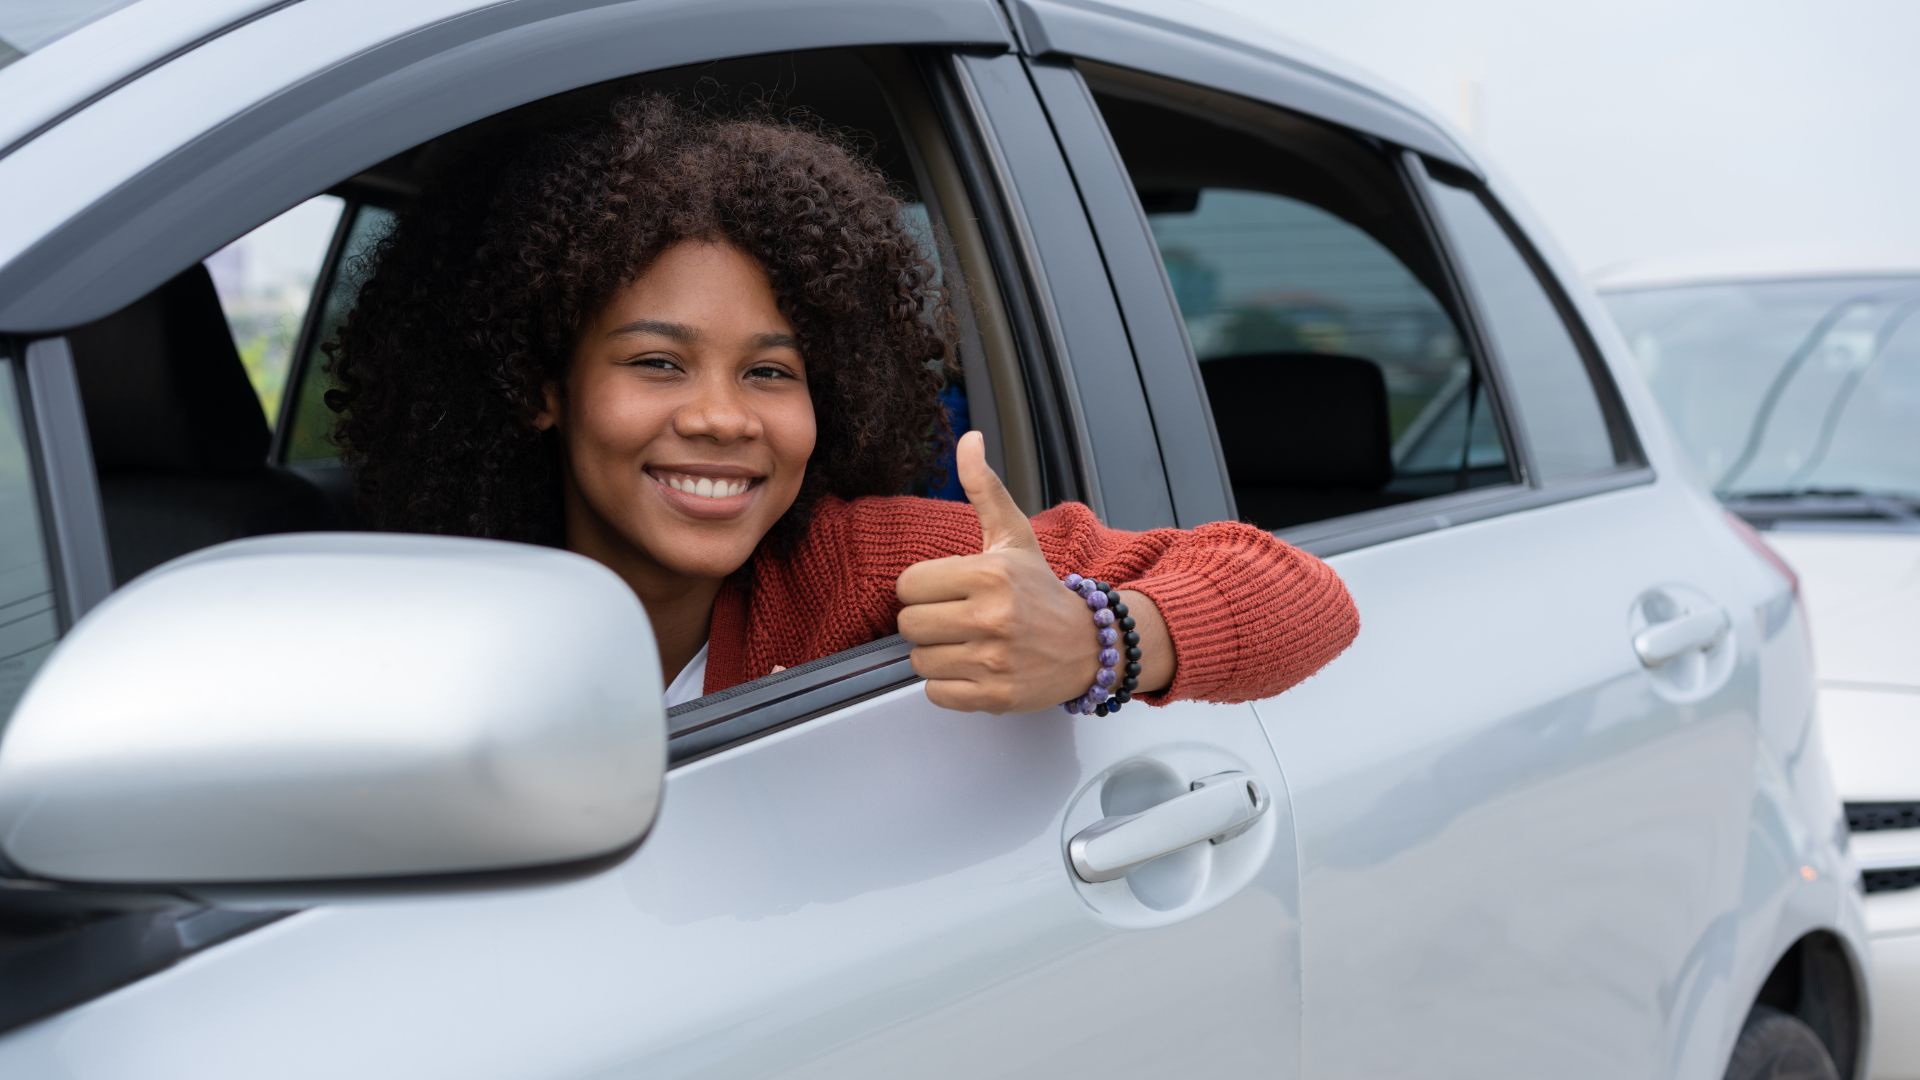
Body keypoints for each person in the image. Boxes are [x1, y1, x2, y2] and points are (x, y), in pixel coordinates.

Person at [328, 94, 1359, 713]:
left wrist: (1102, 640)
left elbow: (1302, 593)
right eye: (659, 363)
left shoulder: (857, 566)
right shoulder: (422, 612)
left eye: (771, 373)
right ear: (542, 386)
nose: (725, 418)